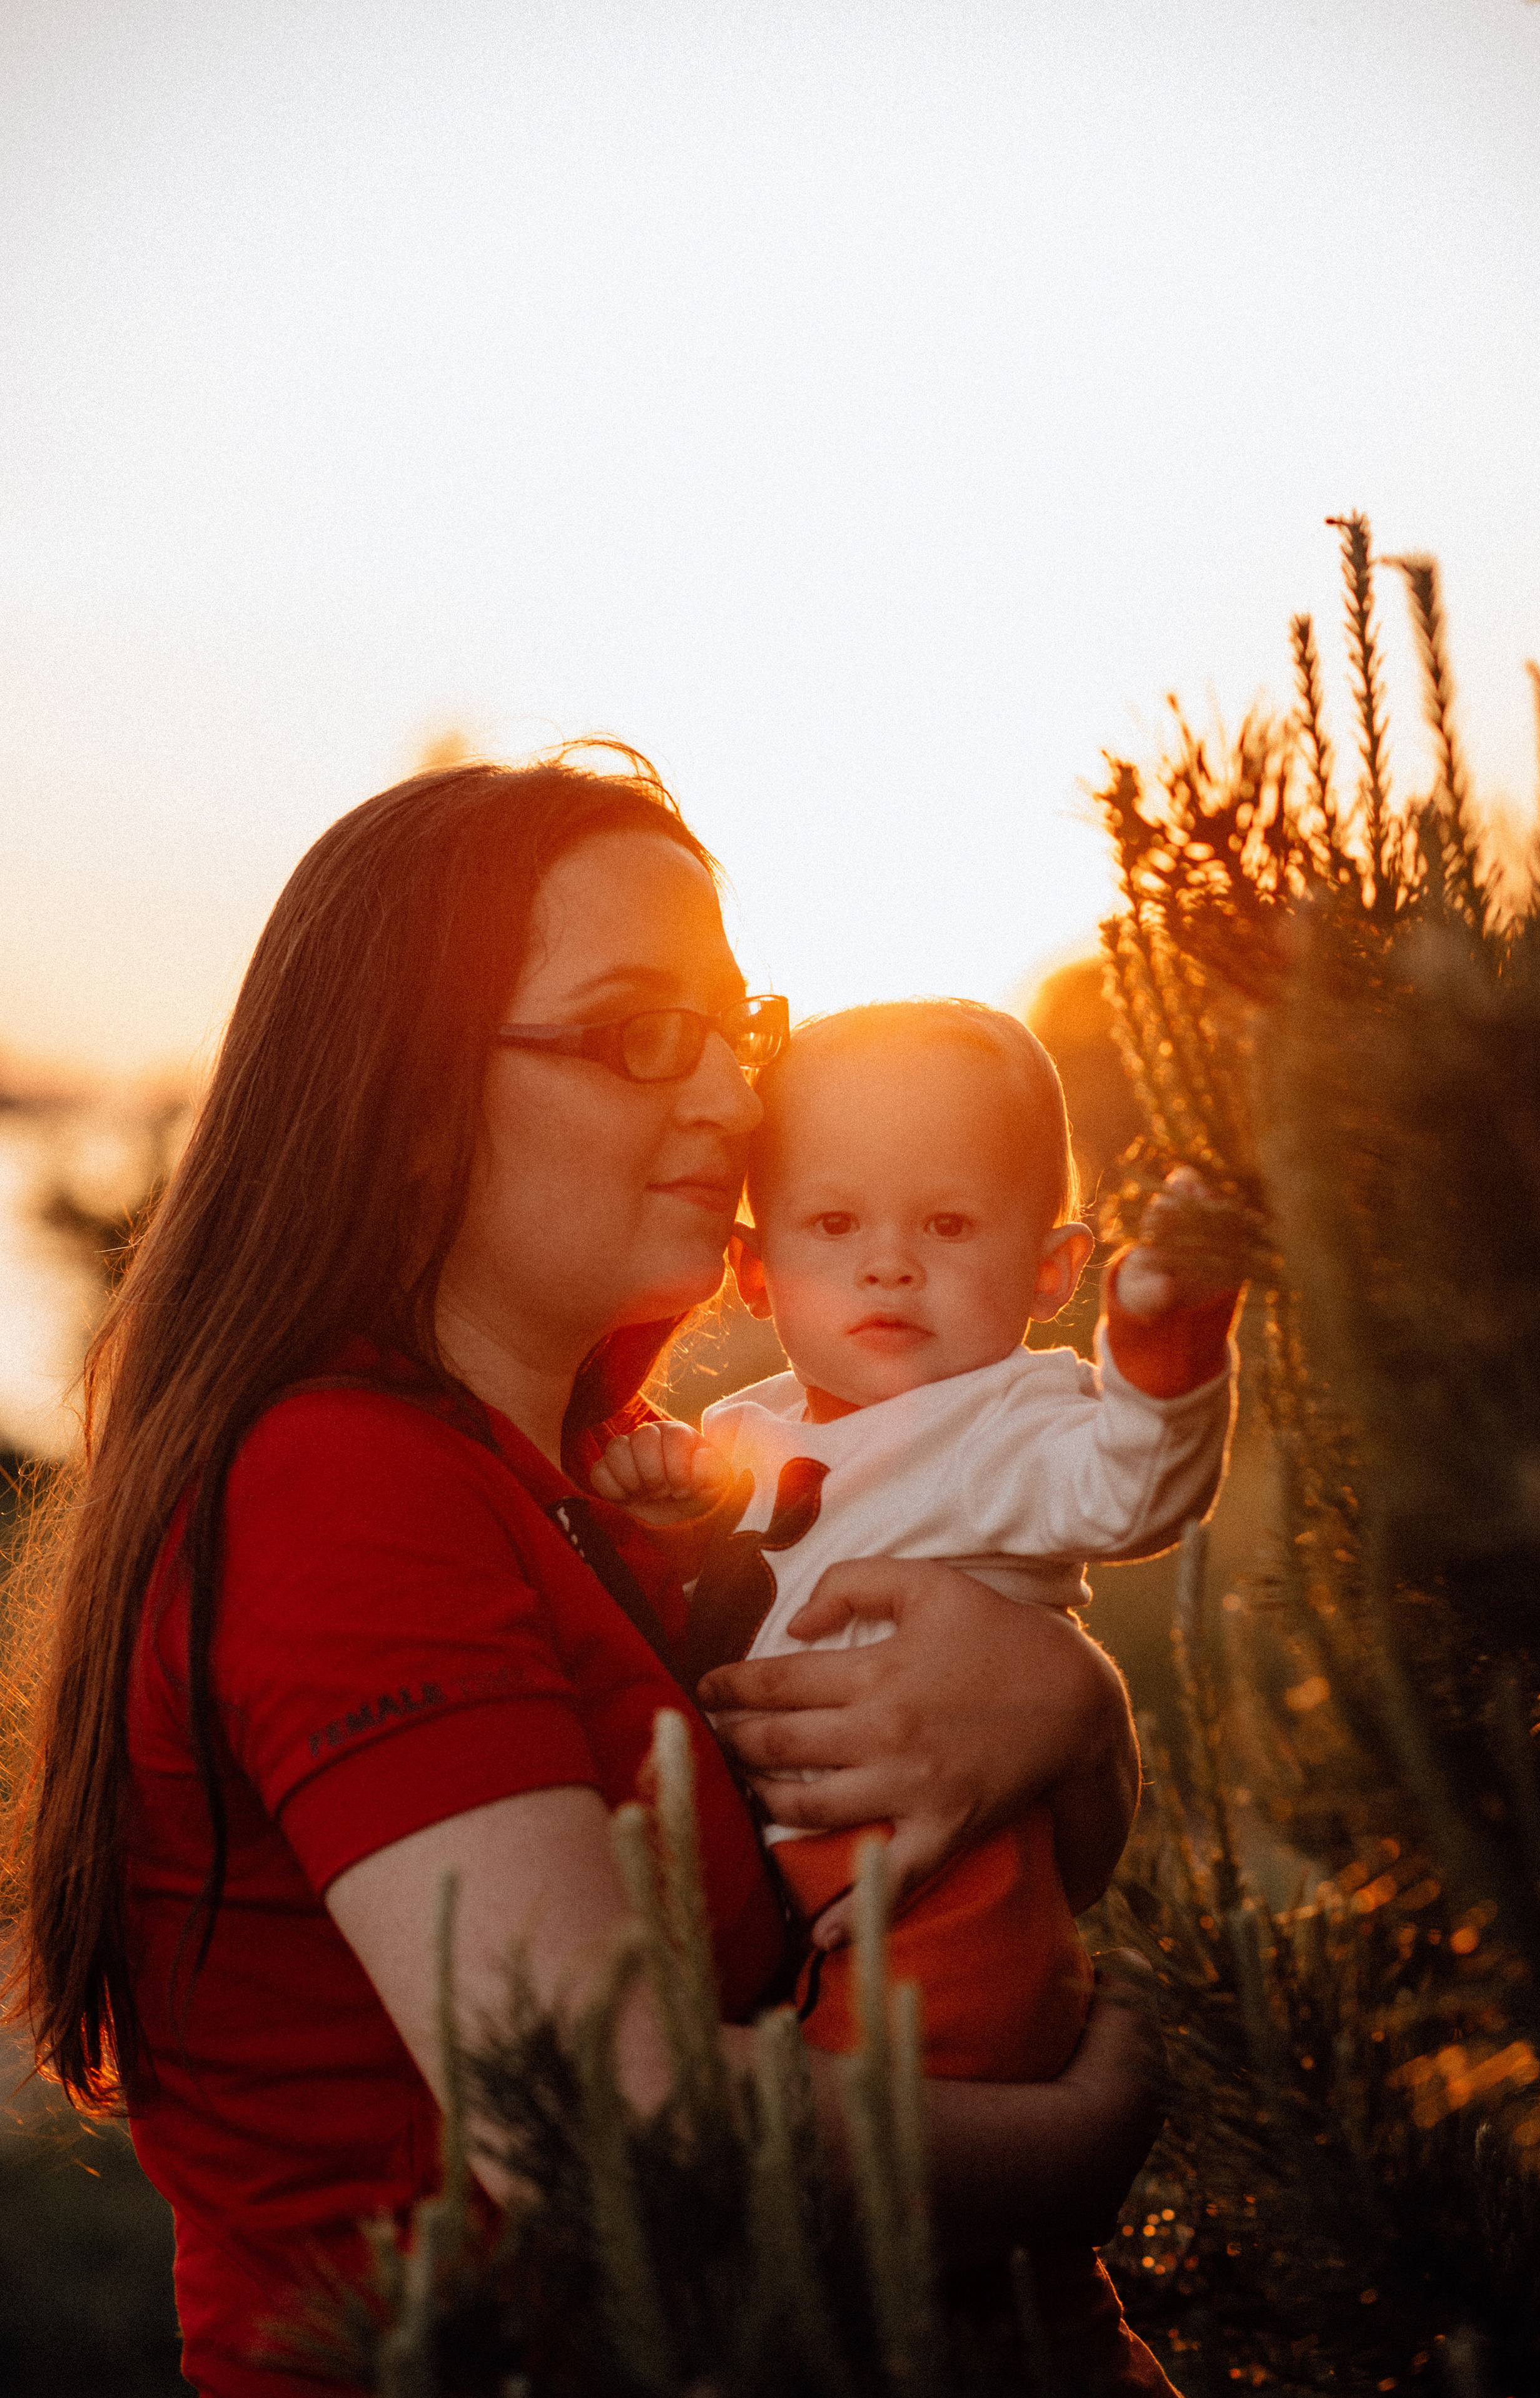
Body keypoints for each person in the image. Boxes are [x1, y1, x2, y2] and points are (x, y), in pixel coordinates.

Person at [5, 753, 1166, 2398]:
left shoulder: (598, 1490)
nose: (728, 1100)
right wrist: (1074, 2147)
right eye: (639, 1034)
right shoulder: (342, 1490)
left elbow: (946, 1836)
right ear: (410, 1101)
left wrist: (1072, 1696)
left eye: (731, 1031)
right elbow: (612, 2135)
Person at [593, 1001, 1244, 2089]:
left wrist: (1161, 1350)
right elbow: (719, 1595)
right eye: (836, 1225)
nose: (889, 1263)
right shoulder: (745, 1428)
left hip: (944, 1883)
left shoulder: (1011, 1419)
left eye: (947, 1225)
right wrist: (672, 1513)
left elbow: (1134, 1487)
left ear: (1052, 1269)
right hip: (782, 1882)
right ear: (756, 1270)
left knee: (912, 2147)